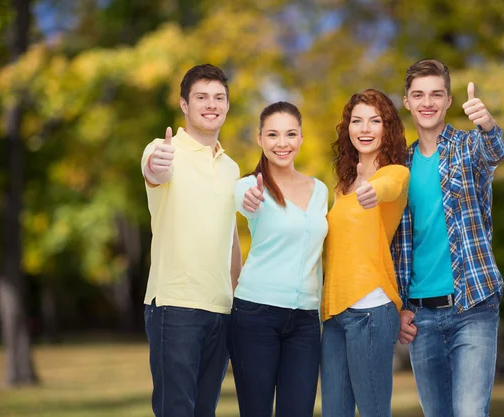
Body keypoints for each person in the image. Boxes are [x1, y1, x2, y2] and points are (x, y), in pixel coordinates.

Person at [392, 59, 504, 417]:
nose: (428, 102)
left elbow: (494, 151)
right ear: (407, 102)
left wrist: (487, 124)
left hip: (473, 307)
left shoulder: (467, 147)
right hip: (421, 316)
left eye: (436, 94)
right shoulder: (399, 167)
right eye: (419, 95)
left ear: (449, 101)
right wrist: (400, 308)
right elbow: (397, 246)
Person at [140, 64, 242, 417]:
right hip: (175, 306)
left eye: (219, 98)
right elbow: (155, 169)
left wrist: (237, 297)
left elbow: (230, 239)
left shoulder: (231, 167)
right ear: (184, 104)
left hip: (221, 309)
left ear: (227, 105)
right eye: (201, 97)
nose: (211, 104)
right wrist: (159, 164)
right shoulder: (162, 148)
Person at [229, 101, 328, 417]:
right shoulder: (248, 187)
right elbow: (243, 203)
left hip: (305, 321)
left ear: (301, 138)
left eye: (290, 134)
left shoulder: (321, 190)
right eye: (272, 134)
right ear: (259, 139)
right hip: (256, 314)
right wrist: (250, 200)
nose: (282, 143)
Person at [320, 89, 410, 417]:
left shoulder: (395, 174)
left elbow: (386, 188)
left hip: (371, 311)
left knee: (373, 411)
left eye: (375, 120)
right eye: (357, 121)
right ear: (348, 129)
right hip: (333, 314)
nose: (365, 128)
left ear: (387, 128)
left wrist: (369, 188)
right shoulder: (340, 187)